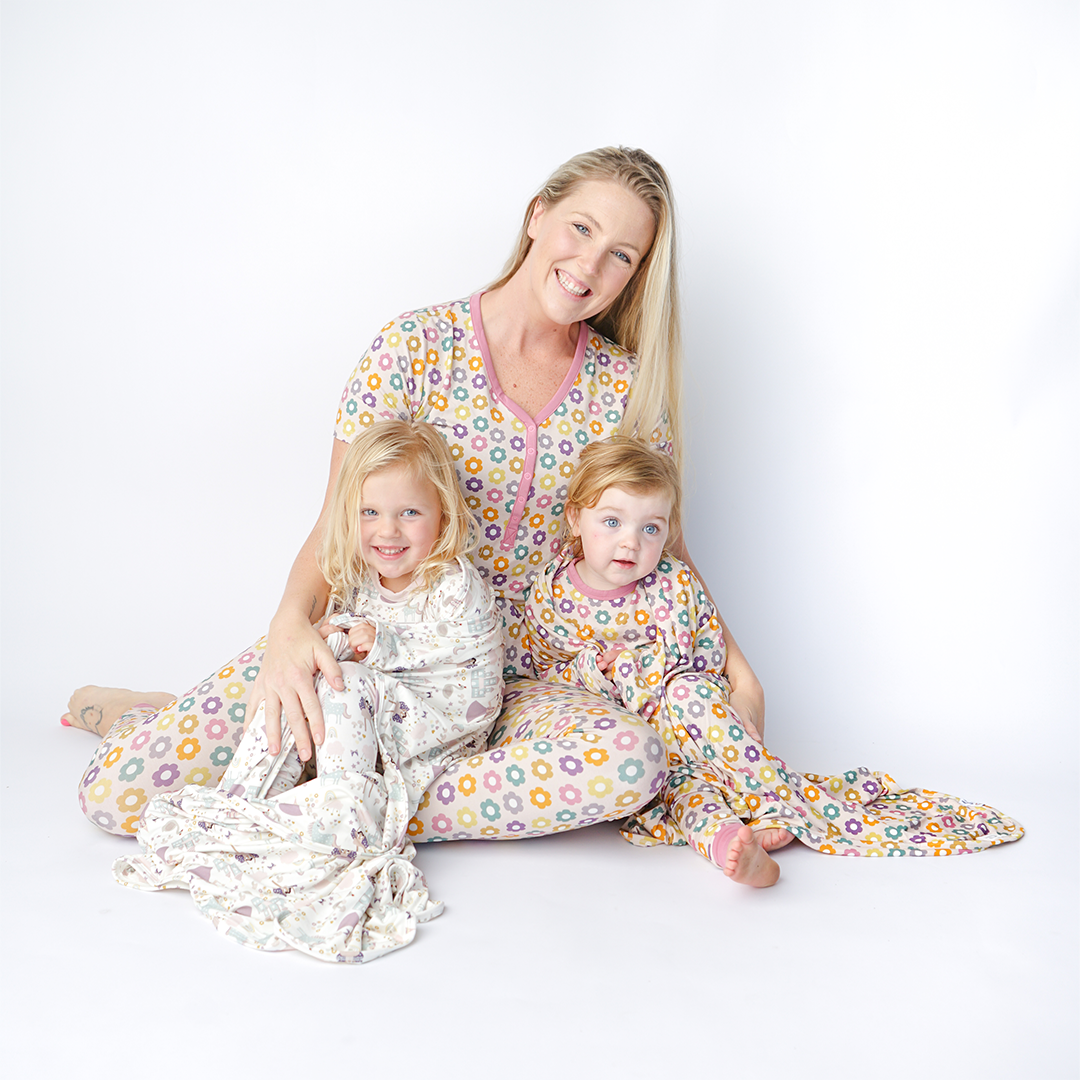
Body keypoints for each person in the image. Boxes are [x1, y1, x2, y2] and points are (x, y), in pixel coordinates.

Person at [67, 145, 765, 845]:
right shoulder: (413, 348)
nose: (589, 264)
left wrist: (739, 670)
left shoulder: (627, 388)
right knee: (118, 795)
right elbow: (336, 521)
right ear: (537, 216)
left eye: (621, 254)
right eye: (581, 229)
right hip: (377, 652)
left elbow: (665, 548)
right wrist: (288, 628)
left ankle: (344, 800)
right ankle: (161, 720)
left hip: (530, 680)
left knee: (632, 762)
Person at [524, 437, 1023, 886]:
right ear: (575, 519)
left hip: (692, 723)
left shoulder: (673, 583)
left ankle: (771, 804)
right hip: (637, 738)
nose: (630, 541)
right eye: (611, 522)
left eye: (650, 528)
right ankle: (728, 847)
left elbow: (701, 654)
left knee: (691, 692)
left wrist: (642, 668)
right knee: (684, 794)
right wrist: (598, 670)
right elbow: (545, 673)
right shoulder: (549, 591)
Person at [113, 420, 504, 961]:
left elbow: (466, 675)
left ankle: (342, 808)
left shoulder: (455, 583)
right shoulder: (361, 577)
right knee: (306, 674)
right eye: (370, 513)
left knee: (346, 683)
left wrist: (376, 644)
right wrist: (328, 644)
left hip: (440, 719)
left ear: (442, 516)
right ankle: (241, 801)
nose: (387, 531)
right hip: (382, 705)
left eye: (409, 513)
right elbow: (342, 638)